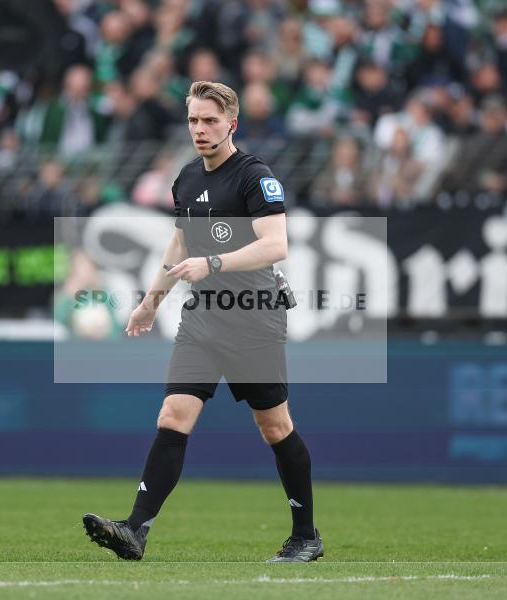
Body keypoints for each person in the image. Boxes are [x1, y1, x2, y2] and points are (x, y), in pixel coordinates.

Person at [82, 81, 323, 563]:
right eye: (193, 120)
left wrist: (212, 262)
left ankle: (306, 536)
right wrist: (151, 301)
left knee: (275, 426)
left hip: (254, 317)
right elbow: (178, 247)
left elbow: (277, 245)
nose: (200, 128)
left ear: (232, 123)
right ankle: (135, 530)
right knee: (174, 414)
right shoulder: (187, 179)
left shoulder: (254, 176)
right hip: (203, 318)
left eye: (210, 120)